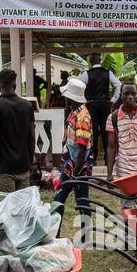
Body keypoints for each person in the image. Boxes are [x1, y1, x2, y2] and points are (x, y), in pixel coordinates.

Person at [51, 76, 93, 228]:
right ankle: (83, 233)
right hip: (72, 163)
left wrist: (75, 172)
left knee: (61, 198)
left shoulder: (82, 117)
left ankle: (56, 231)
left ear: (70, 98)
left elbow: (82, 148)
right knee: (81, 199)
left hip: (77, 166)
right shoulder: (74, 112)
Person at [0, 68, 35, 192]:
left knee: (6, 209)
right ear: (15, 85)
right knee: (22, 208)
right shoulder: (27, 106)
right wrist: (30, 162)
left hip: (4, 169)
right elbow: (32, 137)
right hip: (23, 167)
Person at [79, 53, 120, 164]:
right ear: (100, 60)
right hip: (105, 104)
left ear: (91, 61)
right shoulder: (108, 73)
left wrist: (84, 100)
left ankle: (93, 159)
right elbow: (118, 85)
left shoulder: (86, 74)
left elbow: (78, 86)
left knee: (93, 133)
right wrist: (113, 100)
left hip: (91, 105)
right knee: (106, 131)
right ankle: (108, 159)